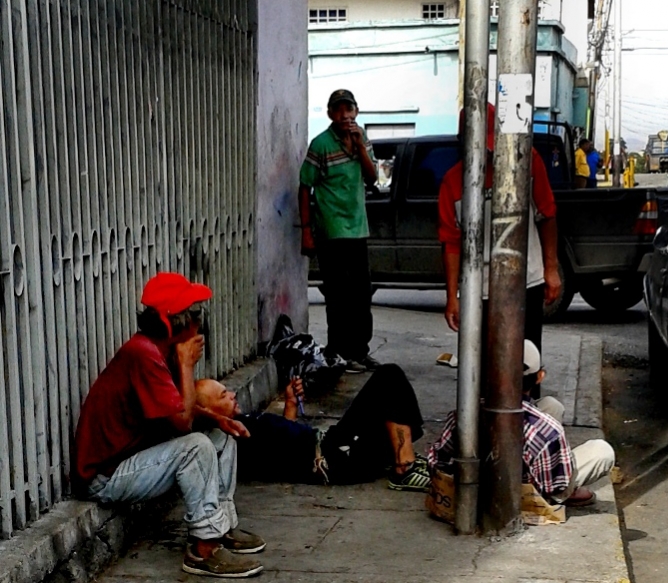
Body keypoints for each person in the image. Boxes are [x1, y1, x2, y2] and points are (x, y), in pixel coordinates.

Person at [72, 272, 265, 579]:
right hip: (105, 475)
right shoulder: (144, 354)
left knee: (220, 436)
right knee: (196, 447)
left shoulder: (160, 351)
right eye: (196, 317)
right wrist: (187, 365)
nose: (199, 325)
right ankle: (204, 549)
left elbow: (178, 409)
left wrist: (218, 419)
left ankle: (222, 525)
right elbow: (183, 424)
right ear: (177, 322)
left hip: (133, 458)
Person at [438, 103, 561, 367]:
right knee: (482, 367)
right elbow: (451, 243)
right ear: (464, 141)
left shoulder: (527, 162)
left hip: (526, 282)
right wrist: (452, 297)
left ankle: (526, 408)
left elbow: (547, 215)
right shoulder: (452, 182)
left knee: (526, 363)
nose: (488, 152)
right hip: (478, 291)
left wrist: (551, 269)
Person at [426, 340, 615, 506]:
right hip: (523, 492)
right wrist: (565, 484)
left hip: (476, 480)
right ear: (540, 377)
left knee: (551, 405)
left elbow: (436, 461)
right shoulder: (548, 430)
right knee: (602, 451)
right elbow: (552, 486)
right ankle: (569, 493)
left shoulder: (463, 415)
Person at [195, 364, 430, 492]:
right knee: (388, 377)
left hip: (334, 445)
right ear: (211, 413)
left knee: (393, 397)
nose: (233, 394)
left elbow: (281, 446)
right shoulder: (233, 436)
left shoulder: (244, 423)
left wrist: (290, 404)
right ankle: (404, 468)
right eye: (224, 396)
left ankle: (402, 459)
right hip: (334, 457)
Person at [299, 88, 380, 375]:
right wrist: (306, 231)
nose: (346, 115)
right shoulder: (320, 144)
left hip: (357, 229)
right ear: (331, 114)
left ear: (356, 112)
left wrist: (359, 146)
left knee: (361, 295)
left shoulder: (362, 139)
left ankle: (360, 351)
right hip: (330, 231)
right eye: (340, 110)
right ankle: (339, 351)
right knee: (338, 295)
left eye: (350, 109)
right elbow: (304, 187)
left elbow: (372, 178)